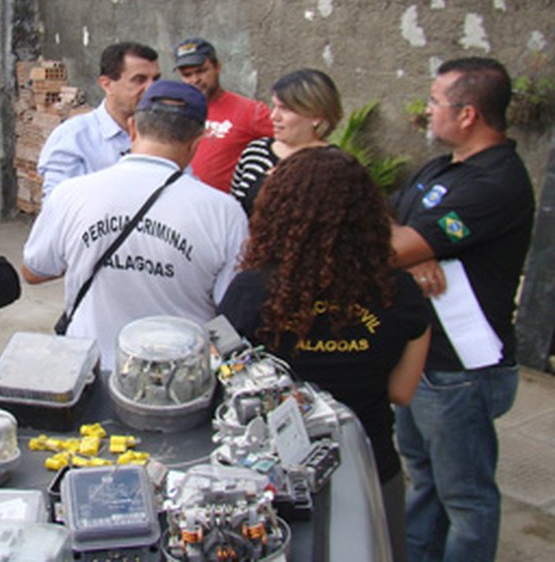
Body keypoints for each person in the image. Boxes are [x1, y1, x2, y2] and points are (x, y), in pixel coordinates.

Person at [217, 148, 431, 562]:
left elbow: (225, 377)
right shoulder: (401, 293)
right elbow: (402, 392)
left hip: (270, 476)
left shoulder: (251, 291)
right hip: (367, 462)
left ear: (277, 212)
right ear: (369, 216)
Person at [390, 57, 534, 562]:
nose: (426, 111)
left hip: (460, 372)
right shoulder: (443, 167)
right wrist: (413, 255)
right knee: (424, 477)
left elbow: (389, 243)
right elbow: (389, 220)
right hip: (422, 359)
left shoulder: (494, 183)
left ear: (468, 114)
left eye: (434, 102)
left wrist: (411, 250)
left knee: (467, 498)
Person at [23, 80, 247, 368]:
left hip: (89, 373)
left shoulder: (71, 194)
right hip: (180, 383)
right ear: (197, 143)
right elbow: (229, 308)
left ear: (132, 129)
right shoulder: (225, 213)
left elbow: (34, 270)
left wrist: (89, 251)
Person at [36, 42, 160, 197]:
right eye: (139, 79)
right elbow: (58, 208)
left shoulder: (164, 135)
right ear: (107, 85)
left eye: (155, 79)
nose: (152, 89)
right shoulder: (74, 138)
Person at [228, 68, 343, 216]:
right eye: (274, 106)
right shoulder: (256, 151)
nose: (274, 116)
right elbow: (235, 209)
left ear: (316, 116)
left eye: (285, 109)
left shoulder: (335, 166)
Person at [175, 38, 273, 192]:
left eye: (201, 71)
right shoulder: (176, 112)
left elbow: (289, 144)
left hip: (228, 209)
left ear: (217, 67)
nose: (195, 80)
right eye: (187, 75)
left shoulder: (250, 111)